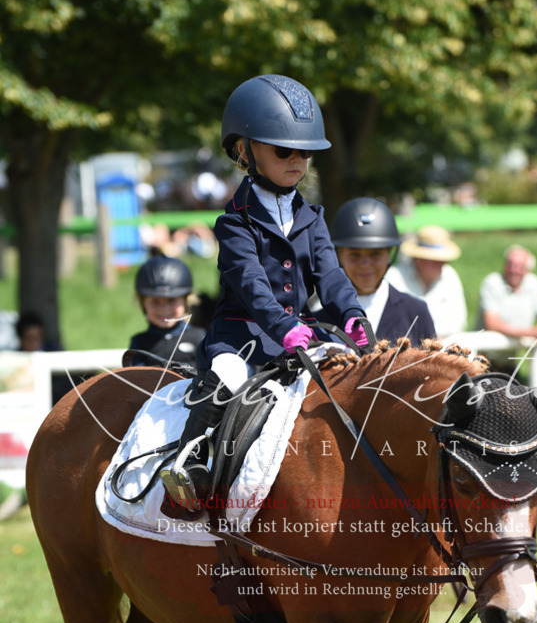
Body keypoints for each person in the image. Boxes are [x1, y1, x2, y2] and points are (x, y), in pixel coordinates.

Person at [161, 74, 367, 510]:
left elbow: (330, 274)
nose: (296, 160)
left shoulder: (313, 217)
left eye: (304, 152)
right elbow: (251, 284)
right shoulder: (234, 223)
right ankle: (189, 463)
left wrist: (352, 313)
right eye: (283, 150)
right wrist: (282, 325)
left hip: (303, 331)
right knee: (227, 376)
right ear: (245, 149)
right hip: (244, 335)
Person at [329, 197, 436, 347]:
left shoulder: (416, 312)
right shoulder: (325, 315)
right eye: (354, 254)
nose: (365, 264)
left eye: (375, 254)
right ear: (339, 255)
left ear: (390, 254)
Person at [477, 244, 537, 375]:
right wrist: (533, 332)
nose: (514, 270)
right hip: (483, 361)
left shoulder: (533, 283)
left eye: (519, 266)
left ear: (528, 269)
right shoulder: (492, 283)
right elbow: (492, 324)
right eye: (510, 264)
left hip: (509, 361)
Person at [389, 225, 467, 341]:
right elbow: (391, 320)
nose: (442, 263)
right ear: (419, 259)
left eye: (444, 259)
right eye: (435, 260)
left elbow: (459, 319)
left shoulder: (449, 275)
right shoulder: (394, 277)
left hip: (444, 341)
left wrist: (436, 337)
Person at [128, 256, 205, 370]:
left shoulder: (199, 337)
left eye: (171, 300)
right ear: (143, 304)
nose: (164, 308)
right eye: (155, 301)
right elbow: (136, 377)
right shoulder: (139, 344)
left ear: (186, 300)